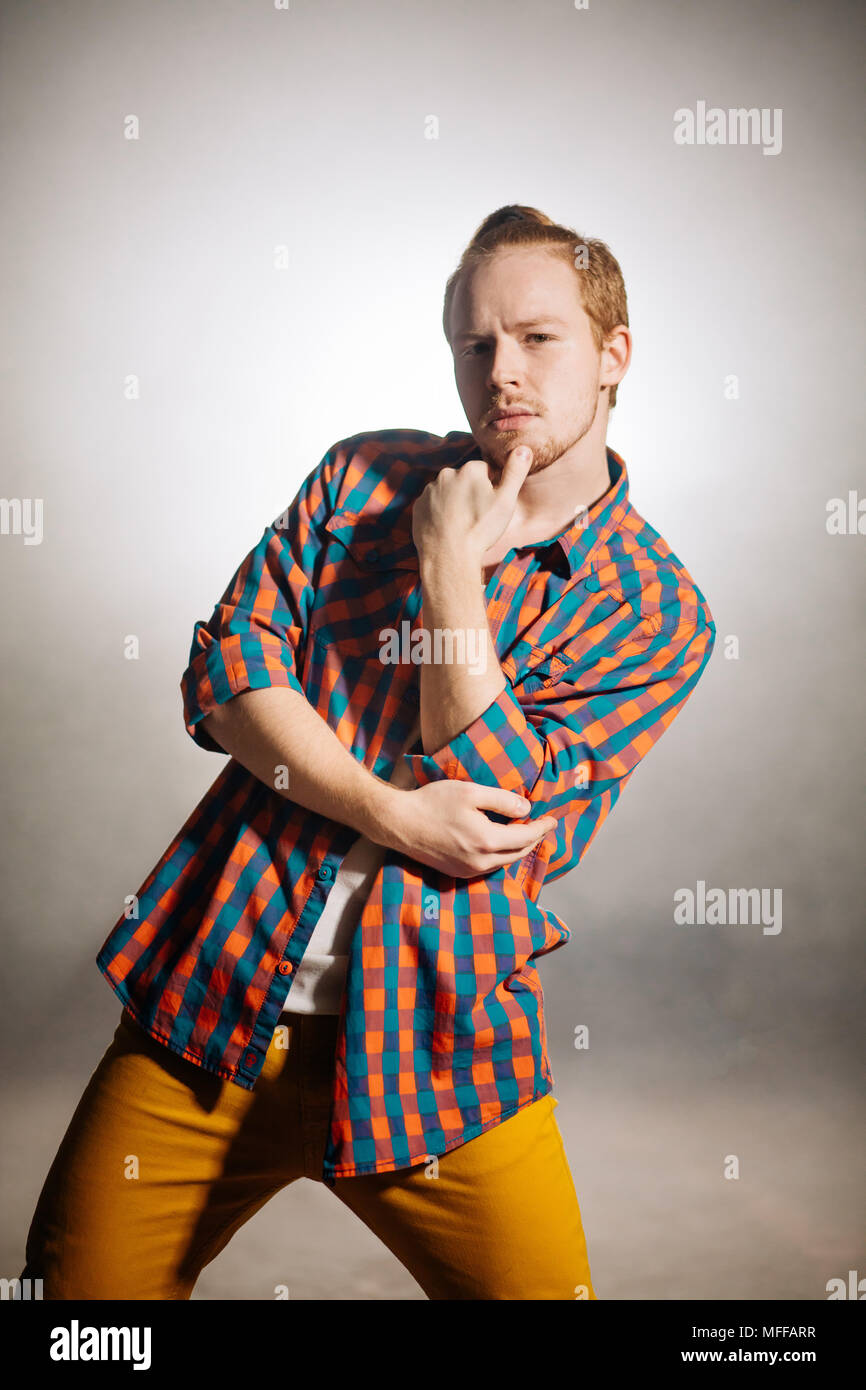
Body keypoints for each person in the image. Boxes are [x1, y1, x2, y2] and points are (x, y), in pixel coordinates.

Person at [20, 204, 716, 1300]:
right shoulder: (360, 477)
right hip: (211, 1006)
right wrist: (389, 813)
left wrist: (449, 574)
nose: (502, 373)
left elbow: (490, 803)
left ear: (613, 353)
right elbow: (225, 674)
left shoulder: (654, 608)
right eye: (475, 345)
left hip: (433, 1050)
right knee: (77, 1314)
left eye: (538, 339)